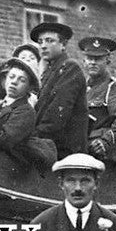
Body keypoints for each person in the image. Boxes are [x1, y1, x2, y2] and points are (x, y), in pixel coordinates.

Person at [0, 57, 55, 175]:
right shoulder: (0, 106)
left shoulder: (25, 111)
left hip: (7, 169)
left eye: (22, 80)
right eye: (11, 77)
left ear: (29, 87)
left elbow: (6, 139)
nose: (14, 82)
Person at [32, 22, 88, 159]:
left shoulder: (70, 68)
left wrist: (33, 136)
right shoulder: (49, 71)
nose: (43, 45)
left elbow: (57, 115)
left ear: (63, 45)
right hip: (50, 145)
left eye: (50, 41)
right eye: (40, 42)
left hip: (65, 150)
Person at [81, 36, 116, 163]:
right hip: (82, 152)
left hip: (105, 157)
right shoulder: (80, 88)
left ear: (107, 61)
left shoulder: (115, 87)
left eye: (98, 59)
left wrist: (105, 142)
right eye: (89, 58)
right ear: (84, 61)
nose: (93, 62)